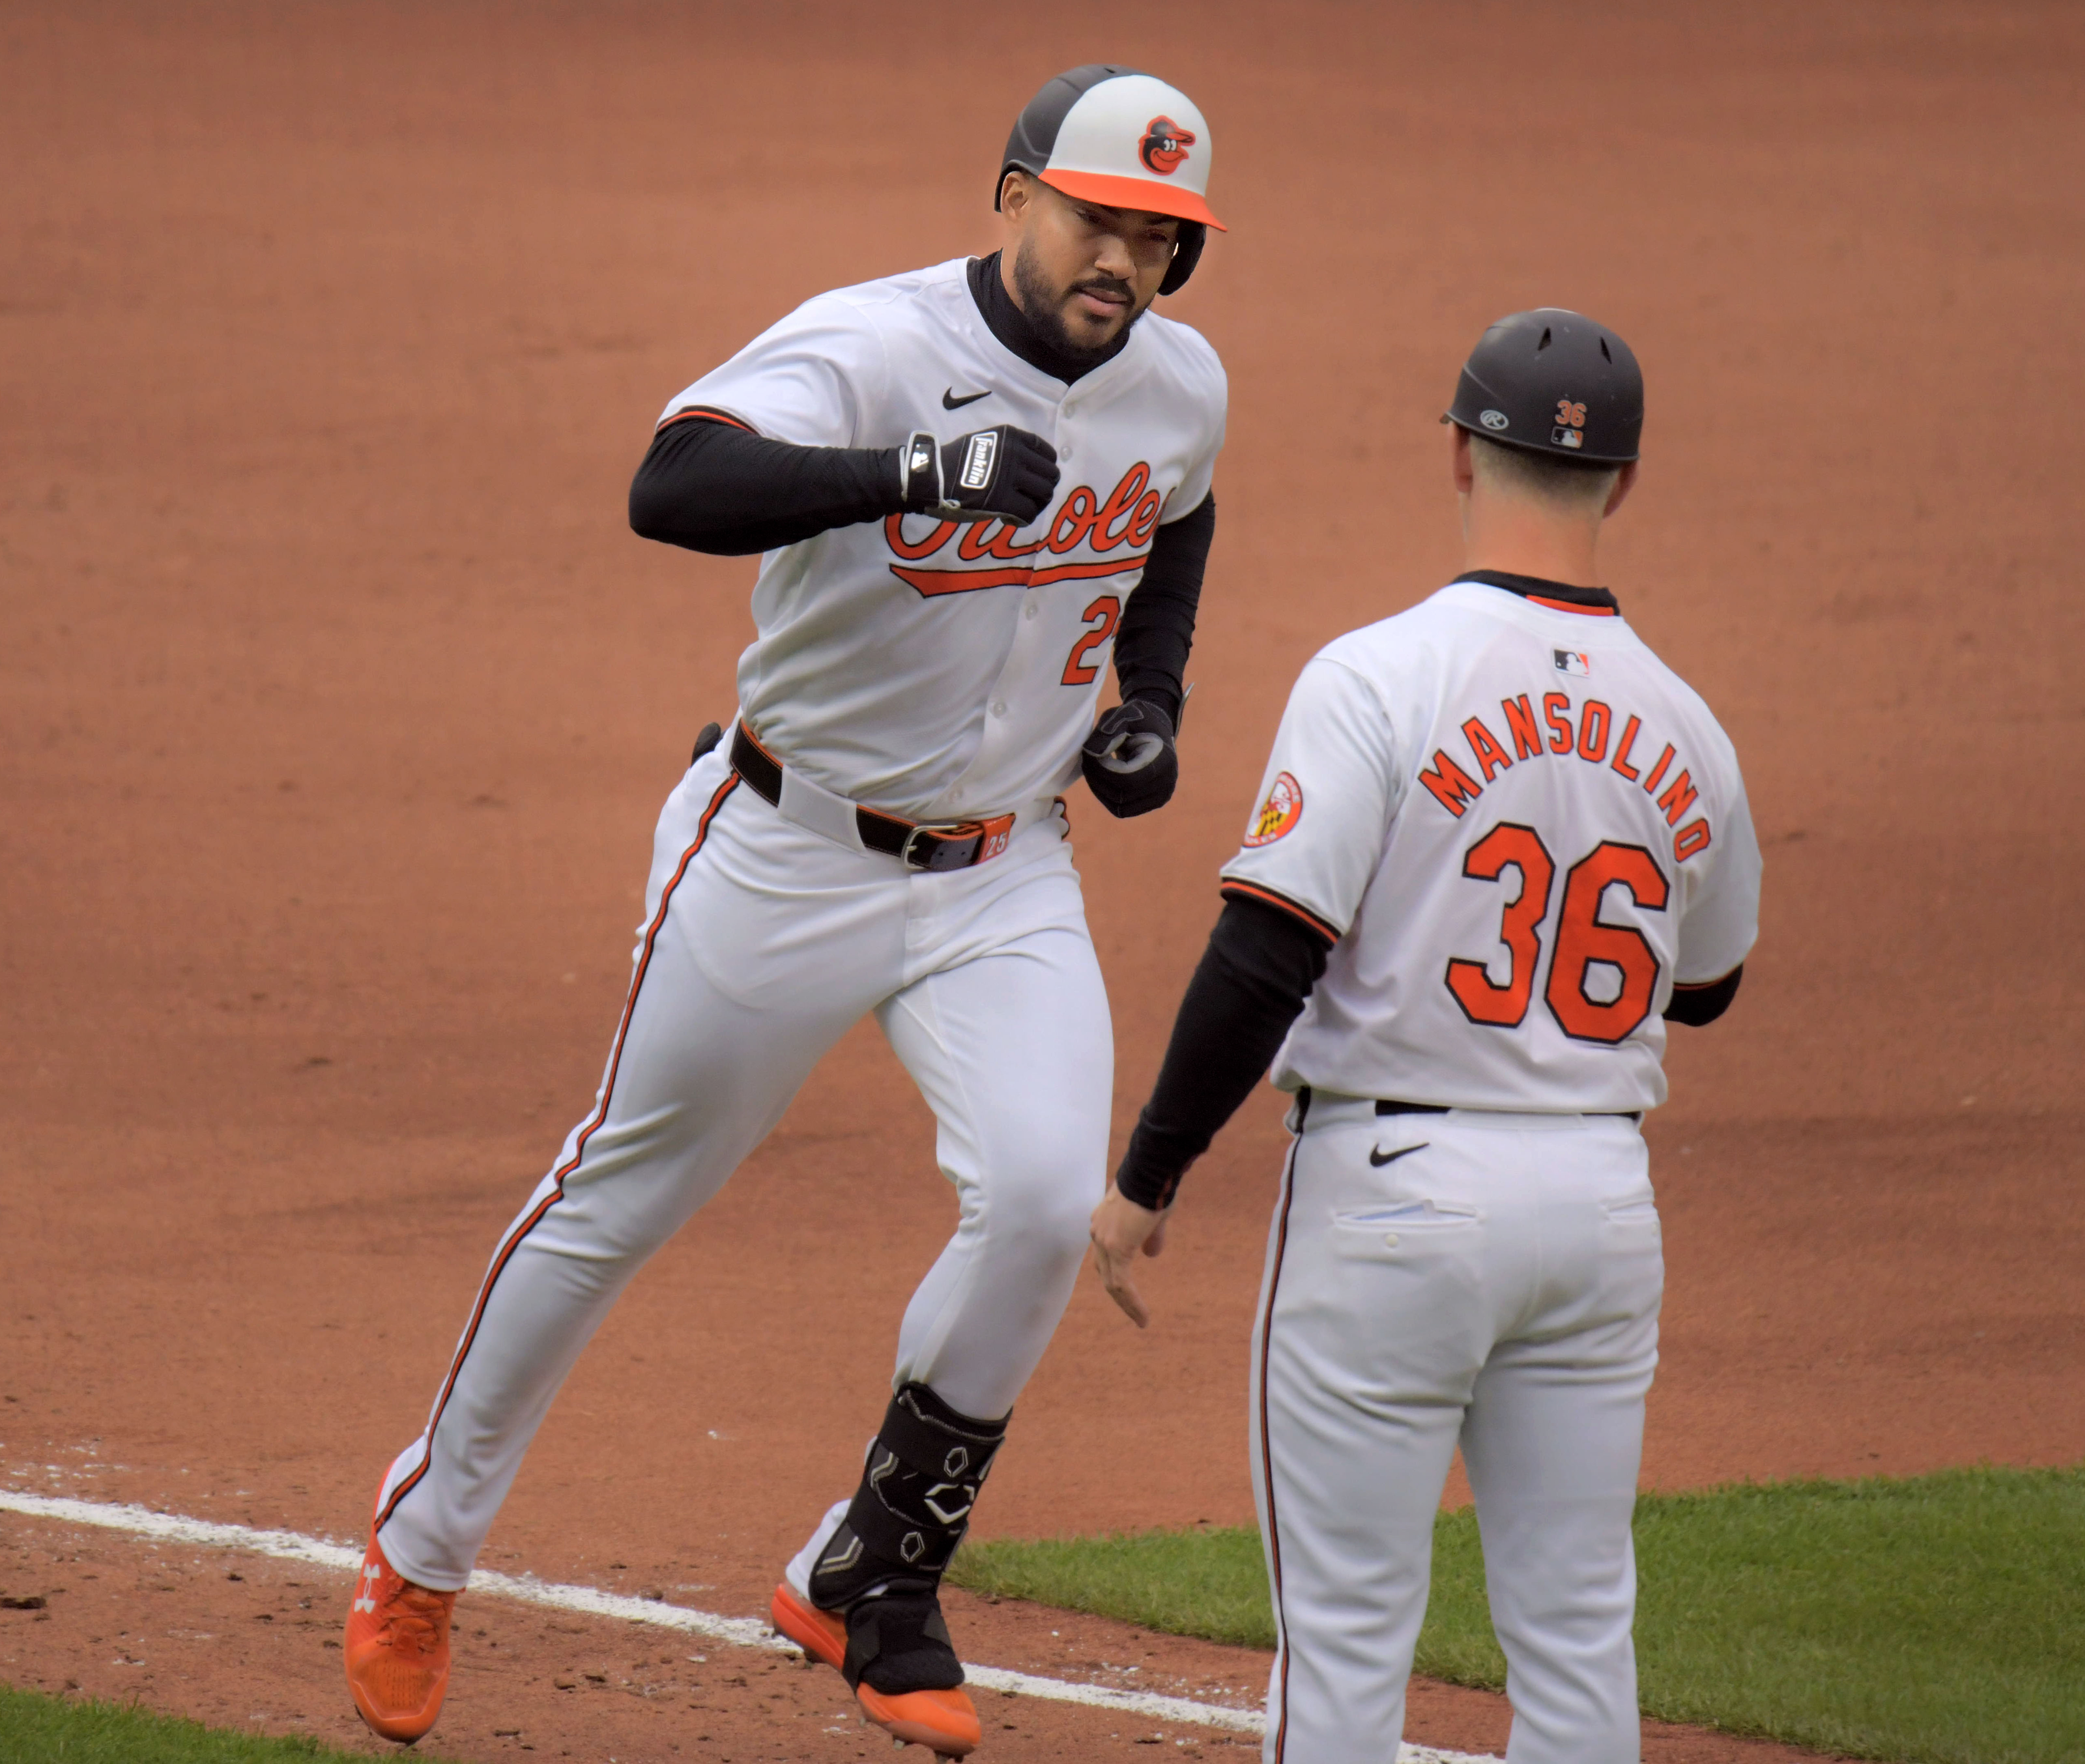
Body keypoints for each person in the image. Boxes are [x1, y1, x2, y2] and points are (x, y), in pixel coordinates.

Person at [343, 65, 1228, 1760]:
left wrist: (1154, 700)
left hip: (1003, 872)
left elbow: (1177, 525)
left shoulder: (1182, 385)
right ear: (1014, 193)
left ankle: (873, 1569)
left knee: (1045, 1198)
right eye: (1100, 215)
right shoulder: (876, 342)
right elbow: (671, 487)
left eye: (1163, 236)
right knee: (616, 1199)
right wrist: (908, 468)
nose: (1126, 257)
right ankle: (420, 1545)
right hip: (778, 852)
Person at [1087, 310, 1761, 1763]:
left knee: (1343, 1648)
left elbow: (1265, 952)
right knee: (1578, 1633)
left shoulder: (1375, 677)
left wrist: (1145, 1180)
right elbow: (1705, 985)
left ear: (1457, 450)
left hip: (1391, 1193)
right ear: (1624, 484)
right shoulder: (1690, 725)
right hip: (1597, 1206)